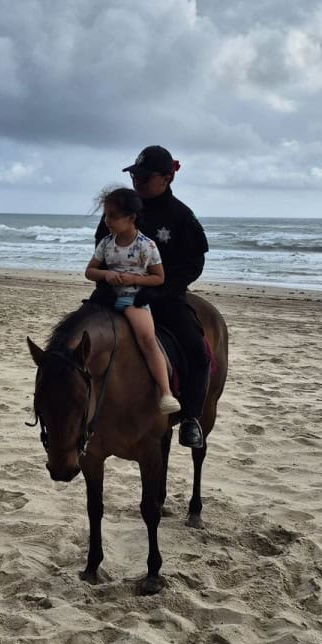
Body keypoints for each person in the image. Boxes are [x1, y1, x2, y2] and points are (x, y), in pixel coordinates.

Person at [94, 145, 210, 448]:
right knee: (76, 337)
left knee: (198, 351)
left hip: (165, 298)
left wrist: (158, 291)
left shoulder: (181, 216)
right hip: (114, 294)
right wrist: (108, 283)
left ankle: (190, 417)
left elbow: (193, 265)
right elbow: (101, 252)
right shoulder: (119, 208)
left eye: (144, 178)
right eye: (135, 176)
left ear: (167, 179)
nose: (137, 182)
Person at [86, 188, 181, 415]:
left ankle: (165, 392)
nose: (107, 221)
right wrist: (106, 275)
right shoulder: (106, 243)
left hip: (133, 300)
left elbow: (159, 278)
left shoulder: (146, 246)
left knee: (148, 340)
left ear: (131, 217)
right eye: (106, 215)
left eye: (113, 216)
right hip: (107, 299)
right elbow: (90, 271)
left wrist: (134, 279)